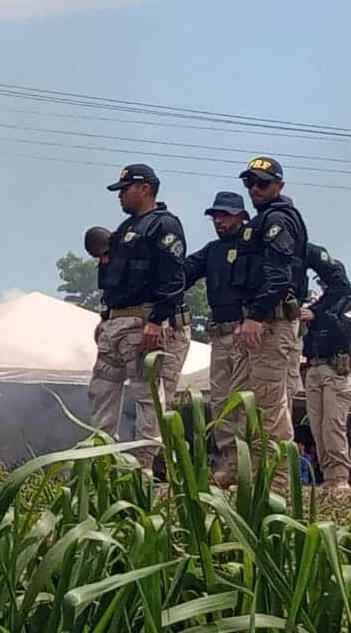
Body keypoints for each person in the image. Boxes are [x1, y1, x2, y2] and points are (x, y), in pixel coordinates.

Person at [88, 164, 190, 472]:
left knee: (147, 394)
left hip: (143, 320)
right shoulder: (123, 231)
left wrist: (157, 320)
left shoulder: (164, 225)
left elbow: (173, 277)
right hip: (115, 322)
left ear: (144, 188)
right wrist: (105, 316)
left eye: (125, 189)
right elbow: (113, 278)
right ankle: (101, 460)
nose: (120, 197)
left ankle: (144, 463)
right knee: (102, 389)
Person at [235, 155, 309, 489]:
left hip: (272, 321)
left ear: (279, 185)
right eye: (249, 182)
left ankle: (278, 482)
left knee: (268, 403)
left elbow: (278, 276)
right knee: (261, 402)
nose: (254, 189)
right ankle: (261, 474)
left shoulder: (277, 219)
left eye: (262, 183)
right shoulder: (263, 220)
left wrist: (256, 316)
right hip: (267, 321)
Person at [182, 191, 252, 482]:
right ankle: (229, 464)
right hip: (219, 334)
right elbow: (182, 273)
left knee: (245, 402)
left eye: (225, 215)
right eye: (215, 216)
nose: (219, 221)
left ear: (241, 216)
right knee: (221, 400)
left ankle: (250, 464)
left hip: (245, 332)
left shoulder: (254, 246)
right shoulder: (211, 251)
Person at [299, 246, 351, 489]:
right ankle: (327, 474)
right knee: (317, 425)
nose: (323, 285)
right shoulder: (316, 305)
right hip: (314, 369)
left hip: (336, 371)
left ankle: (339, 477)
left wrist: (319, 314)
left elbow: (345, 334)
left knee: (332, 425)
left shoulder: (347, 303)